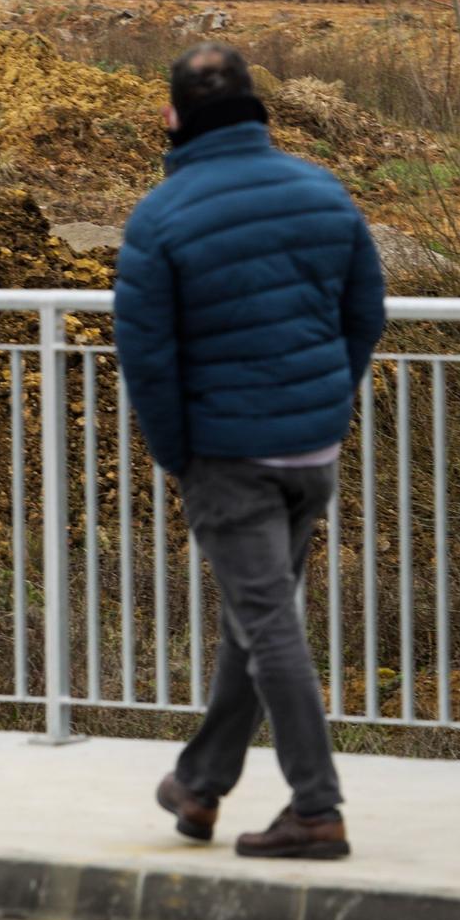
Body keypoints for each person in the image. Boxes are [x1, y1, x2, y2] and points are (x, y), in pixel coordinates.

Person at [113, 43, 386, 861]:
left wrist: (177, 455)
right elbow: (364, 312)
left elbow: (148, 359)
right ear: (259, 108)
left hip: (230, 457)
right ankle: (200, 785)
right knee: (252, 620)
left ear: (173, 116)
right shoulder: (321, 189)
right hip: (310, 452)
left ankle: (316, 806)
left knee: (268, 626)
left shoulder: (161, 216)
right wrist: (330, 399)